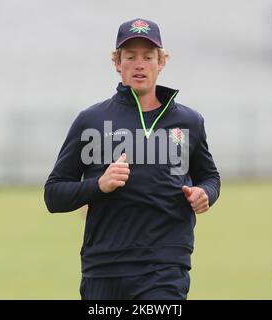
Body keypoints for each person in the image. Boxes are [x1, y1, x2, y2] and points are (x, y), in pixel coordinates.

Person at [44, 18, 220, 300]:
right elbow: (53, 195)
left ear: (161, 62)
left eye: (148, 57)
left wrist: (205, 194)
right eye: (130, 56)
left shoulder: (189, 121)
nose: (140, 64)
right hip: (103, 268)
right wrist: (98, 185)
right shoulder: (91, 121)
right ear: (117, 62)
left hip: (164, 268)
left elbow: (210, 177)